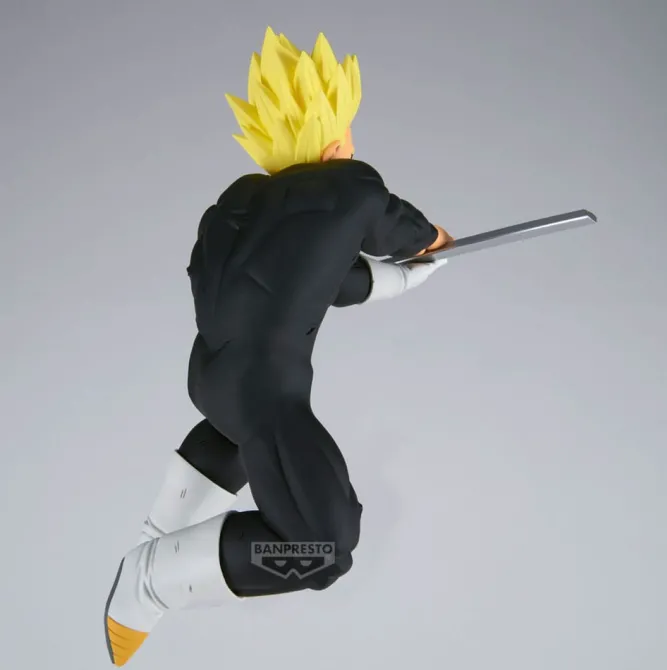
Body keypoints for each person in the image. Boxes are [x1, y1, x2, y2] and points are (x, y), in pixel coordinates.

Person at [103, 27, 453, 666]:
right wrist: (432, 240)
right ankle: (152, 579)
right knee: (324, 549)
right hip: (267, 397)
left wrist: (402, 280)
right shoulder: (351, 186)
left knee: (237, 432)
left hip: (212, 382)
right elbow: (391, 223)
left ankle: (159, 534)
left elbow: (317, 280)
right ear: (332, 137)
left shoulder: (234, 206)